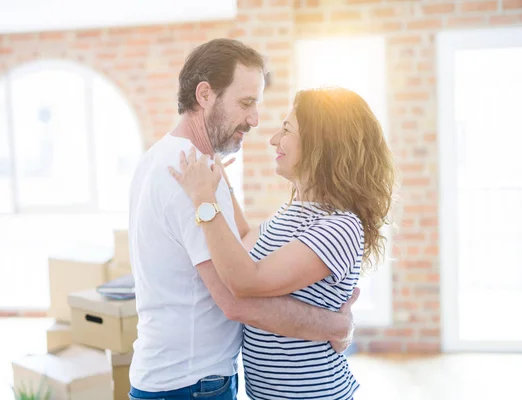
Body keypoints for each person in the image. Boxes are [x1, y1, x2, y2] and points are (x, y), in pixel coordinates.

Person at [127, 39, 359, 400]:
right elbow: (235, 299)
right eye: (246, 103)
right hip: (193, 384)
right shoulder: (192, 176)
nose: (255, 120)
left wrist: (226, 192)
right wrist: (336, 324)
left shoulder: (161, 158)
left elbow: (244, 243)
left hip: (170, 376)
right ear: (205, 95)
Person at [169, 86, 396, 399]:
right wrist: (222, 186)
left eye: (287, 129)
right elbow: (247, 241)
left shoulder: (338, 227)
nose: (274, 139)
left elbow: (246, 279)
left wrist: (204, 200)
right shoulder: (296, 212)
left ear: (321, 144)